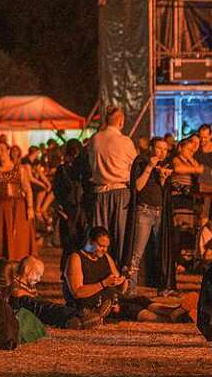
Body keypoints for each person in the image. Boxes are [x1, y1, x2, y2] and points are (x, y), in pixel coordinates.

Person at [85, 107, 137, 265]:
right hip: (120, 191)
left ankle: (94, 267)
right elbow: (134, 166)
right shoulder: (125, 141)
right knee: (120, 235)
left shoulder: (95, 139)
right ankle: (119, 270)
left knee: (98, 234)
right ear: (121, 122)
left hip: (100, 192)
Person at [125, 137, 174, 295]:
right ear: (151, 148)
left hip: (160, 212)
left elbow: (163, 192)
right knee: (136, 253)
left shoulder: (164, 166)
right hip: (144, 212)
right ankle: (130, 290)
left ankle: (163, 288)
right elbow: (137, 186)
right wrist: (150, 167)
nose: (162, 152)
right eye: (159, 148)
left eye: (165, 150)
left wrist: (162, 179)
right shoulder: (141, 162)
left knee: (161, 251)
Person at [62, 226, 127, 328]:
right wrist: (103, 283)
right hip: (86, 303)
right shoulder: (76, 258)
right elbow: (77, 292)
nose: (104, 250)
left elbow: (119, 286)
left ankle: (100, 315)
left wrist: (124, 278)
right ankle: (91, 316)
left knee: (141, 302)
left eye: (106, 247)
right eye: (101, 246)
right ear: (90, 242)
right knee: (135, 310)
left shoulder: (106, 257)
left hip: (111, 301)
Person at [0, 140, 35, 260]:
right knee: (0, 239)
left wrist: (30, 207)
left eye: (3, 150)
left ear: (8, 151)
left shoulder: (19, 169)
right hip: (0, 210)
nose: (0, 153)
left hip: (17, 208)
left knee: (18, 240)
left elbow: (27, 189)